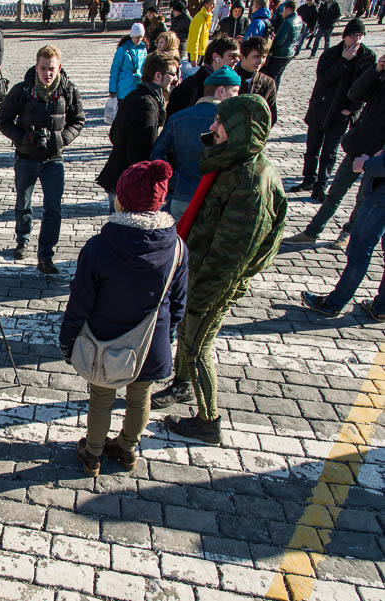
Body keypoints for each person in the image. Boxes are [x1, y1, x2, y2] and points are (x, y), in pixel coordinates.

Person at [151, 95, 287, 444]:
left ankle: (208, 421)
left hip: (215, 282)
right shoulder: (233, 163)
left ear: (239, 130)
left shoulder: (251, 183)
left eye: (219, 124)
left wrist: (196, 297)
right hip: (199, 270)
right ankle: (182, 385)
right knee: (187, 335)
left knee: (198, 347)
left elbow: (231, 257)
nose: (212, 128)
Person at [61, 160, 187, 477]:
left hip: (105, 338)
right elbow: (179, 302)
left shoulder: (100, 247)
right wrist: (166, 333)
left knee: (101, 398)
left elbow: (81, 301)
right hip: (150, 341)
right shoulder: (177, 248)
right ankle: (128, 450)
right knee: (140, 398)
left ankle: (92, 454)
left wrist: (68, 338)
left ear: (122, 199)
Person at [0, 45, 86, 273]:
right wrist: (23, 137)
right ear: (36, 67)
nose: (48, 73)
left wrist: (61, 139)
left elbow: (78, 120)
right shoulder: (22, 90)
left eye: (52, 69)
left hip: (53, 158)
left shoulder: (68, 90)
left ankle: (46, 255)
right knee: (23, 203)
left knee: (53, 209)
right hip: (26, 157)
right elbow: (3, 119)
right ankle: (22, 238)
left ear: (59, 68)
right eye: (44, 68)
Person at [283, 53, 385, 249]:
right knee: (335, 193)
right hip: (360, 146)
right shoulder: (380, 76)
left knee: (363, 198)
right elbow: (355, 94)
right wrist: (375, 70)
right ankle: (312, 232)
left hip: (379, 156)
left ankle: (347, 232)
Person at [288, 19, 374, 202]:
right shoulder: (331, 54)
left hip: (342, 113)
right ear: (345, 36)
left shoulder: (367, 57)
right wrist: (343, 61)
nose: (357, 40)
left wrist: (351, 110)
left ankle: (321, 186)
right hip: (321, 107)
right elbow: (323, 79)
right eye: (353, 35)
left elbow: (366, 88)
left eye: (360, 36)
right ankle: (308, 179)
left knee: (330, 151)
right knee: (312, 147)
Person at [301, 147, 385, 322]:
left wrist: (366, 164)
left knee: (358, 253)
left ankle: (333, 304)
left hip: (380, 201)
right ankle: (381, 307)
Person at [151, 65, 241, 220]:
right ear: (221, 91)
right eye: (235, 92)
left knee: (178, 242)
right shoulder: (232, 121)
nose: (237, 98)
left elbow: (156, 155)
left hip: (182, 194)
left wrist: (174, 180)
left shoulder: (178, 117)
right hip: (215, 198)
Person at [98, 52, 179, 215]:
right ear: (158, 75)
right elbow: (141, 153)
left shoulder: (135, 95)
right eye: (172, 74)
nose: (176, 79)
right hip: (129, 184)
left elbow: (114, 134)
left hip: (118, 177)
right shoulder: (147, 105)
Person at [167, 36, 240, 116]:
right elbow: (174, 121)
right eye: (232, 56)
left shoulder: (232, 83)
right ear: (216, 57)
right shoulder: (190, 86)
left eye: (238, 57)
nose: (237, 60)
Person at [236, 36, 278, 125]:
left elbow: (271, 115)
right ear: (242, 57)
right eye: (256, 57)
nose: (261, 61)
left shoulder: (268, 83)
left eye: (264, 57)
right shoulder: (231, 78)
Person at [262, 1, 300, 88]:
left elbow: (279, 40)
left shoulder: (287, 22)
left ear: (288, 9)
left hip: (280, 54)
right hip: (289, 52)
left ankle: (271, 94)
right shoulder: (299, 19)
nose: (282, 13)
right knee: (278, 76)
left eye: (283, 10)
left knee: (272, 77)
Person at [109, 23, 148, 102]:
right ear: (132, 36)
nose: (139, 40)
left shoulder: (143, 48)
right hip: (124, 87)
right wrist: (112, 89)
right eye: (137, 38)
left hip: (138, 85)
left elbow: (144, 66)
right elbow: (115, 69)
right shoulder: (123, 49)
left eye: (141, 37)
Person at [187, 0, 215, 64]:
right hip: (197, 53)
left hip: (201, 52)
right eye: (212, 4)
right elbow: (195, 38)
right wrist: (194, 58)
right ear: (206, 4)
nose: (213, 6)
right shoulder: (200, 18)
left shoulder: (207, 17)